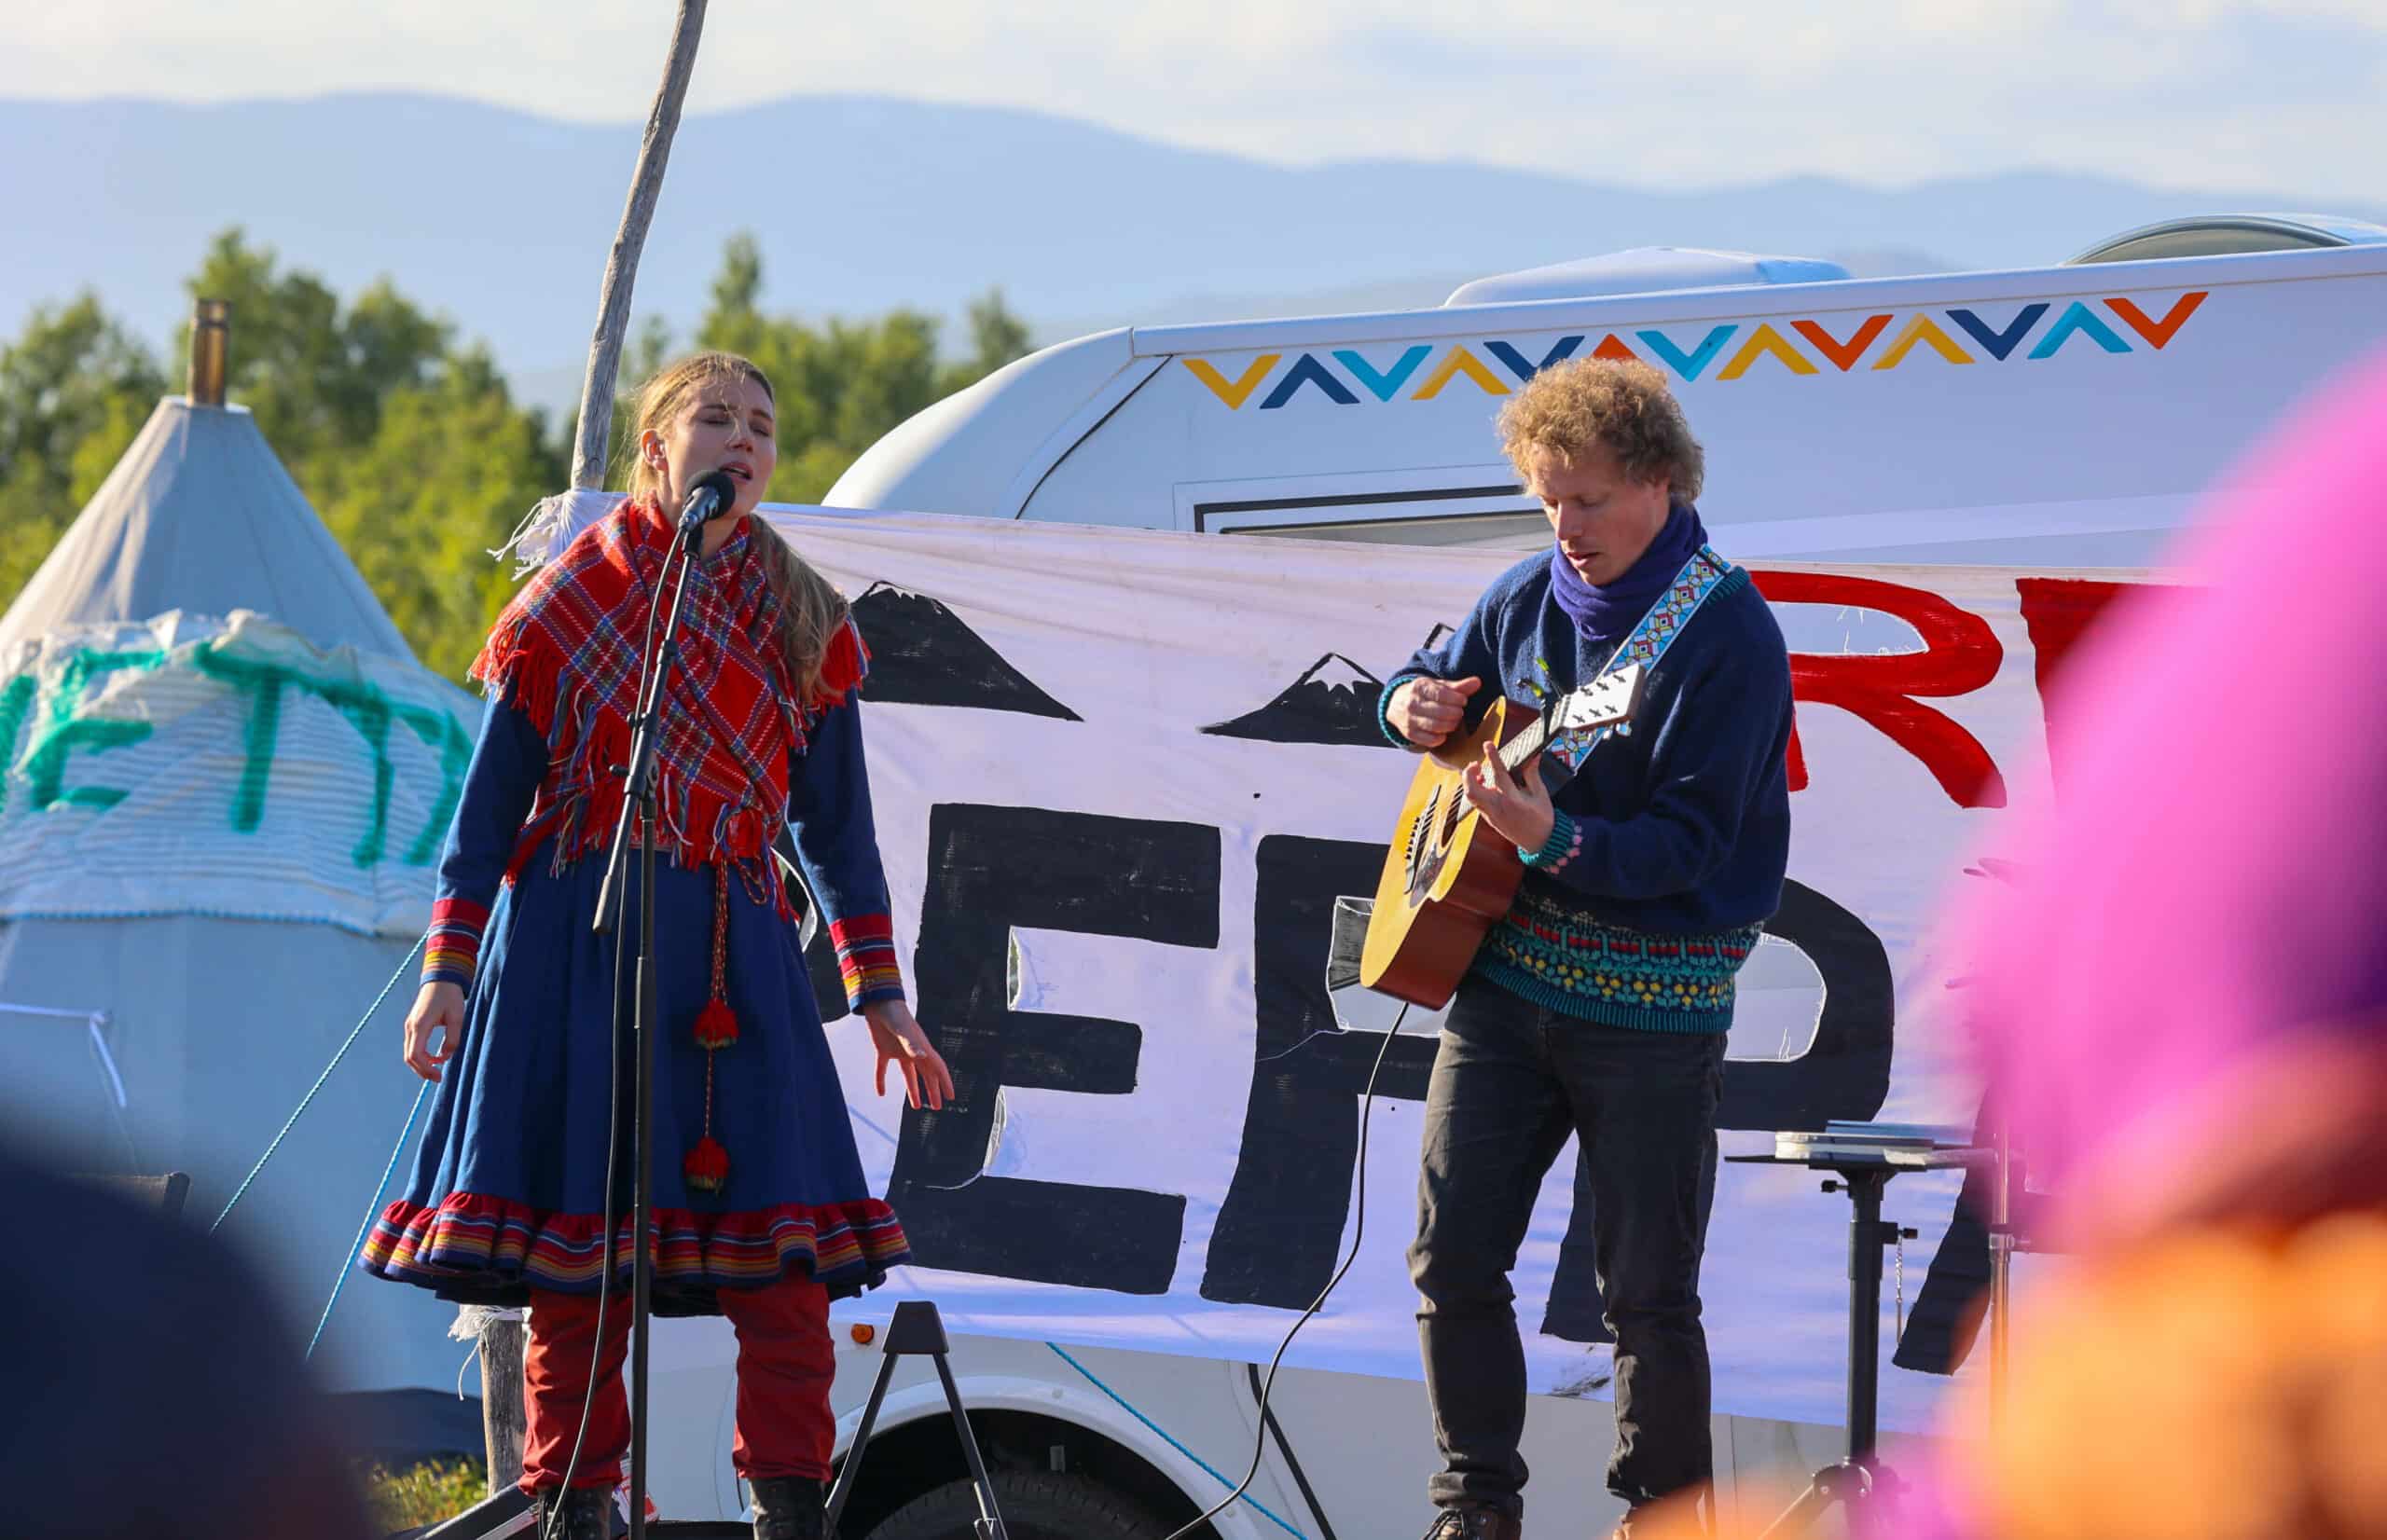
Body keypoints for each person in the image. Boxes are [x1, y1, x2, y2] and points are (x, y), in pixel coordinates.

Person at [361, 351, 954, 1540]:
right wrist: (445, 973)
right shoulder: (562, 606)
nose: (744, 443)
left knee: (782, 1270)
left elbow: (836, 827)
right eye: (718, 420)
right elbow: (482, 822)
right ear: (655, 450)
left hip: (736, 954)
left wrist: (879, 991)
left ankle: (787, 1508)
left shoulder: (806, 615)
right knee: (579, 1269)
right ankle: (582, 1508)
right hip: (575, 953)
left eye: (763, 428)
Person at [1380, 358, 1794, 1540]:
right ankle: (1474, 1510)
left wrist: (1554, 837)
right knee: (1449, 1255)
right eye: (1547, 498)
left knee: (1647, 1298)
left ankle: (1660, 1519)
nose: (1567, 527)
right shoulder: (1524, 594)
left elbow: (1690, 843)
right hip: (1504, 983)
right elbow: (1433, 681)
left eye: (1591, 498)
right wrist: (1404, 703)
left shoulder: (1729, 633)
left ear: (1660, 481)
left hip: (1653, 1009)